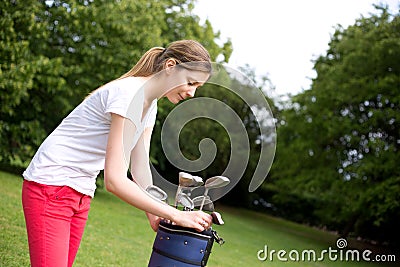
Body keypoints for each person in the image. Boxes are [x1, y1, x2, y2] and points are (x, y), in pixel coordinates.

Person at [21, 39, 213, 267]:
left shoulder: (149, 105)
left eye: (197, 87)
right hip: (51, 186)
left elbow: (140, 168)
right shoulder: (130, 96)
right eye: (190, 83)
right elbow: (115, 180)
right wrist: (176, 214)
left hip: (79, 191)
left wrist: (155, 216)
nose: (191, 93)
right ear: (170, 66)